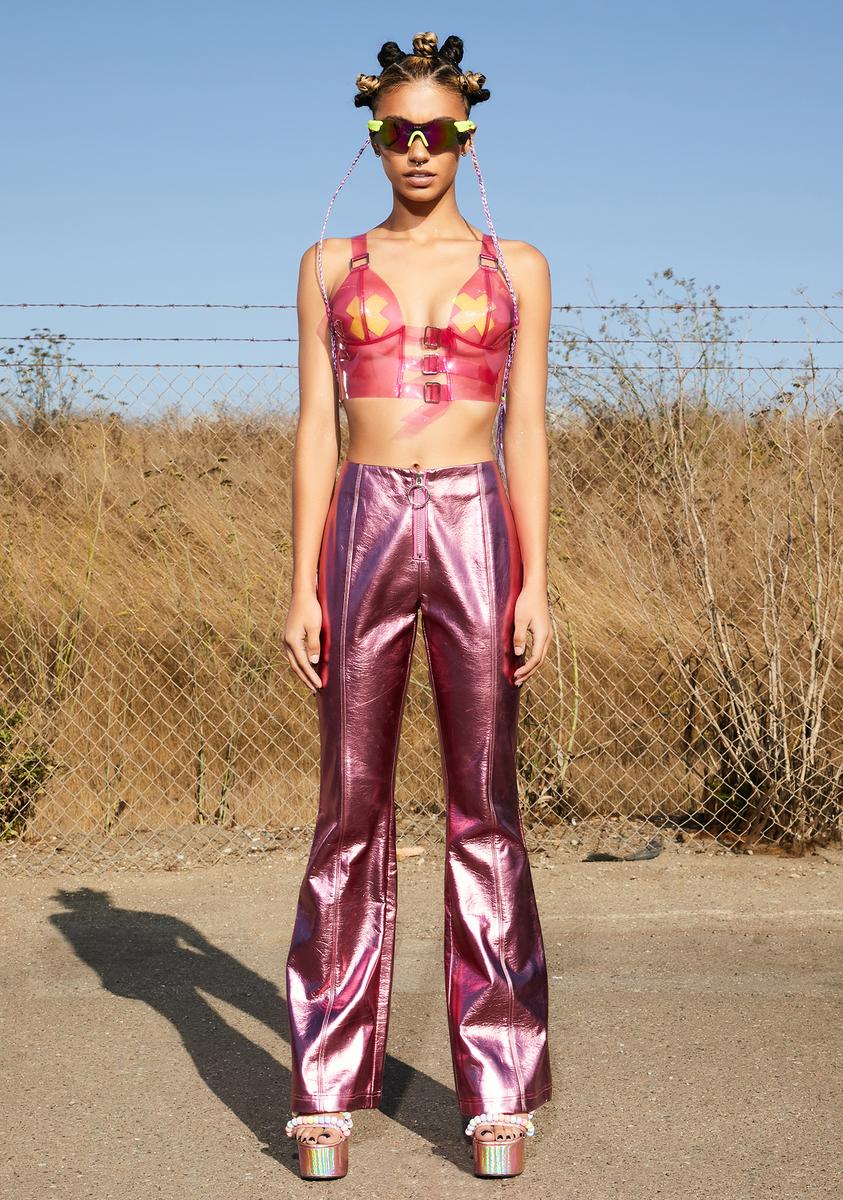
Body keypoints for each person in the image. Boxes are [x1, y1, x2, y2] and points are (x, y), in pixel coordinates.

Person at [282, 30, 553, 1180]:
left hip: (478, 521)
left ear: (467, 138)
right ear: (375, 139)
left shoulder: (518, 266)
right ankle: (325, 1088)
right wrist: (301, 580)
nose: (420, 149)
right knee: (350, 803)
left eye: (440, 131)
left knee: (483, 804)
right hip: (363, 520)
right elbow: (315, 425)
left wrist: (537, 576)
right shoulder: (328, 263)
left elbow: (527, 427)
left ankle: (499, 1090)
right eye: (400, 132)